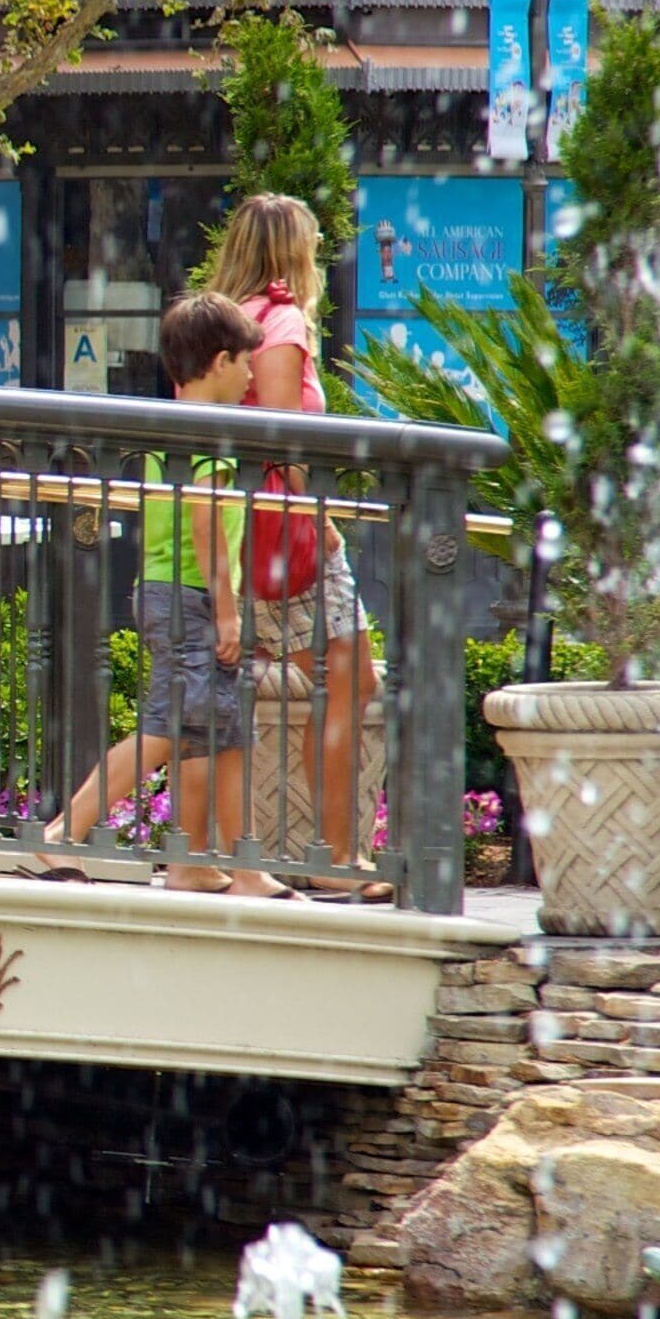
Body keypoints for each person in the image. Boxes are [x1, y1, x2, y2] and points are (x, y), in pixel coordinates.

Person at [41, 295, 288, 898]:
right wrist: (227, 610)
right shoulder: (209, 429)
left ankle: (222, 866)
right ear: (222, 360)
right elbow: (206, 520)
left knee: (220, 731)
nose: (253, 375)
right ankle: (61, 833)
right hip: (190, 596)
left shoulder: (174, 424)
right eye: (246, 363)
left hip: (172, 592)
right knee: (171, 728)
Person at [206, 191, 389, 902]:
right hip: (290, 534)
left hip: (245, 530)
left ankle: (257, 851)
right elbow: (284, 437)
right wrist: (324, 513)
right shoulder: (281, 323)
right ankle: (335, 854)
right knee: (347, 679)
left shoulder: (229, 316)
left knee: (246, 689)